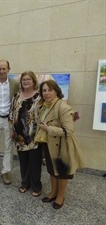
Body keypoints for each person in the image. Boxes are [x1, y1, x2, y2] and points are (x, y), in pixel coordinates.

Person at [35, 80, 84, 209]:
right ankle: (53, 192)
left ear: (56, 91)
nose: (46, 93)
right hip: (50, 143)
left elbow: (69, 131)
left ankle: (60, 196)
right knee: (52, 170)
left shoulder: (63, 107)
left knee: (62, 172)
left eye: (49, 90)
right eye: (44, 90)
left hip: (62, 146)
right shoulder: (45, 105)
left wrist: (48, 129)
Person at [9, 71, 42, 196]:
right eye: (24, 79)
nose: (26, 81)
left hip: (34, 135)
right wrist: (12, 130)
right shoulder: (17, 96)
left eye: (28, 79)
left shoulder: (39, 96)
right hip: (19, 136)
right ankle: (25, 183)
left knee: (34, 162)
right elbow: (12, 114)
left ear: (33, 81)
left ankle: (36, 186)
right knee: (23, 162)